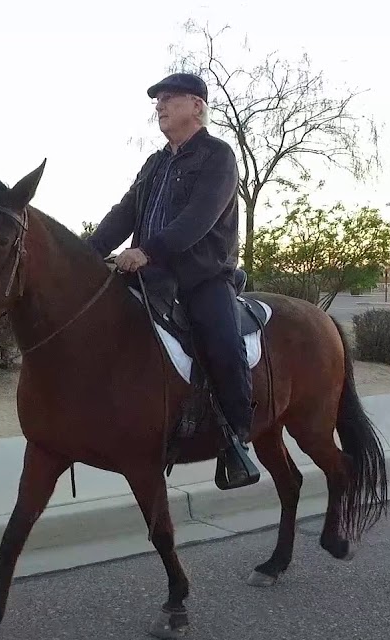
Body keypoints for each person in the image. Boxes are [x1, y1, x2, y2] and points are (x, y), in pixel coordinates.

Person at [85, 71, 257, 488]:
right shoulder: (155, 163)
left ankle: (237, 437)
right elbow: (124, 213)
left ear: (197, 106)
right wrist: (84, 253)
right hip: (150, 277)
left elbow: (198, 218)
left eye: (170, 98)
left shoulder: (218, 156)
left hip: (201, 277)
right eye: (157, 100)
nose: (160, 106)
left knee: (220, 339)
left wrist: (147, 251)